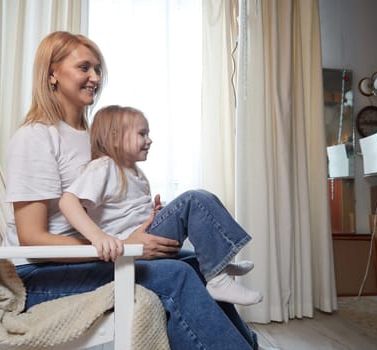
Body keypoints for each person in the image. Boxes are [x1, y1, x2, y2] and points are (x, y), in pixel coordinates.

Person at [5, 31, 262, 349]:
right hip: (41, 276)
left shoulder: (94, 138)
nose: (95, 77)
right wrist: (124, 245)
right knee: (176, 276)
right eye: (84, 67)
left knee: (194, 263)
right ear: (52, 74)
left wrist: (141, 222)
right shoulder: (36, 138)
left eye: (98, 69)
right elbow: (32, 240)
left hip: (90, 259)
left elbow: (107, 208)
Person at [59, 105, 263, 306]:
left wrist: (155, 213)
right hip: (131, 249)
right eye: (142, 134)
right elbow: (68, 201)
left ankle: (220, 265)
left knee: (195, 247)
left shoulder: (136, 174)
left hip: (145, 240)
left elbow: (127, 213)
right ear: (115, 138)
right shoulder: (104, 166)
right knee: (195, 200)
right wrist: (99, 237)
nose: (149, 140)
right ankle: (218, 279)